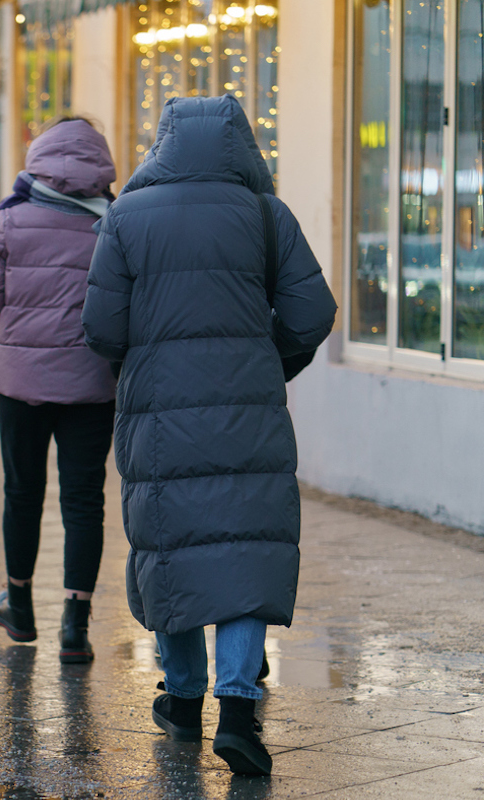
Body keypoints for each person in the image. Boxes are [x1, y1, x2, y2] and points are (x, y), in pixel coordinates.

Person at [81, 95, 337, 777]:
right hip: (248, 406)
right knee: (247, 549)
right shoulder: (263, 214)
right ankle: (238, 705)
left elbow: (102, 329)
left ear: (161, 145)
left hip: (158, 409)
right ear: (243, 146)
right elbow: (313, 312)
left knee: (173, 544)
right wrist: (266, 357)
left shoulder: (127, 217)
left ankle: (184, 696)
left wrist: (147, 359)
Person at [0, 117, 117, 664]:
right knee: (84, 501)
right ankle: (75, 626)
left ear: (41, 154)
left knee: (23, 492)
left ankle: (19, 605)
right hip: (92, 382)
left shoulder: (10, 221)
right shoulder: (115, 222)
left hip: (21, 384)